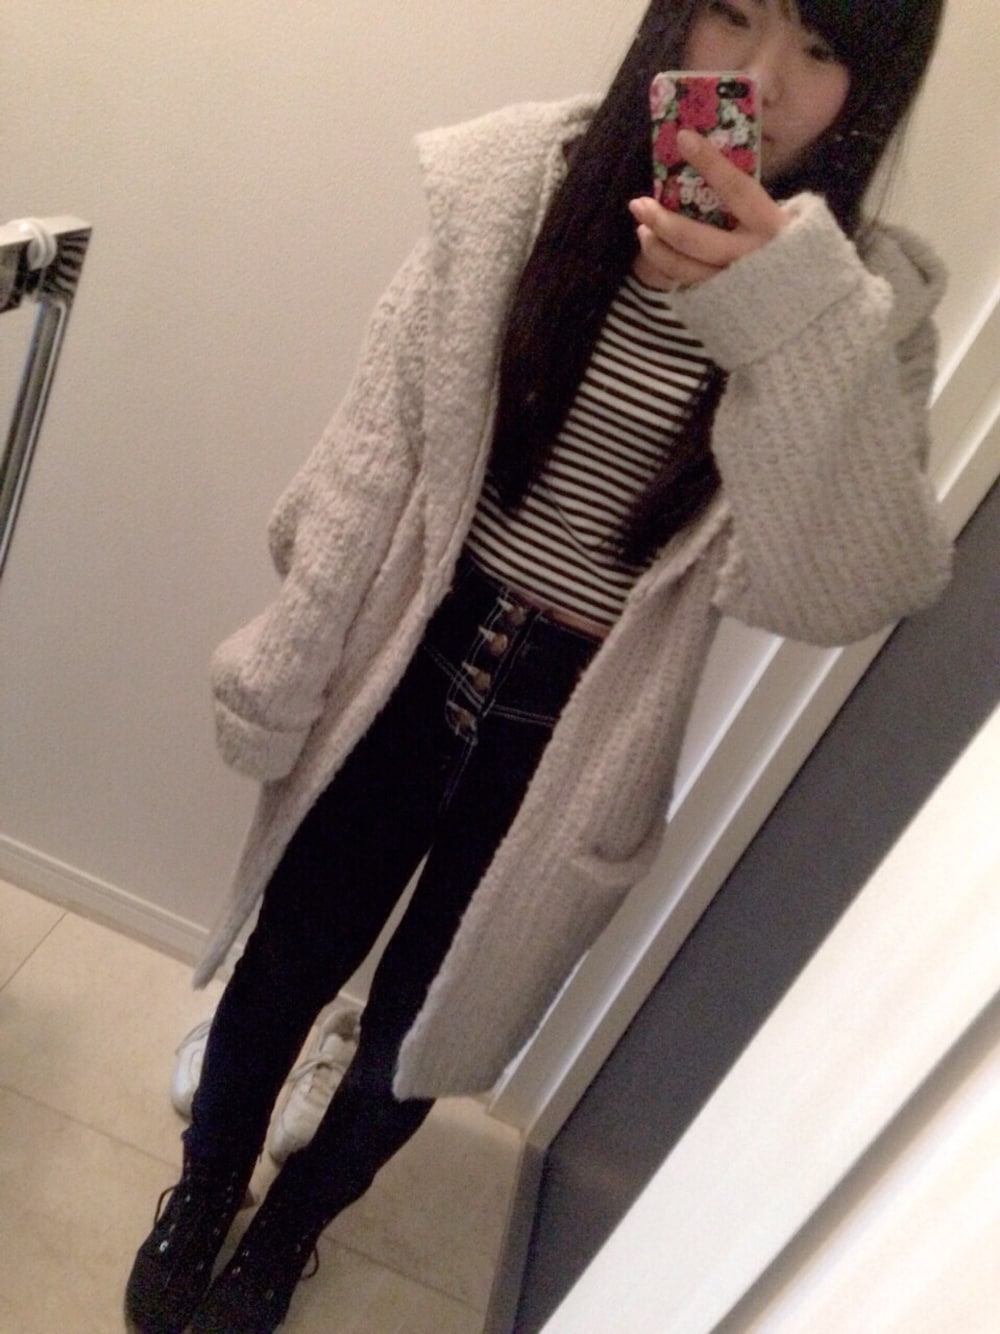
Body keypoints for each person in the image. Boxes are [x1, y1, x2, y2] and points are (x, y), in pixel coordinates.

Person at [125, 1, 952, 1330]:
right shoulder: (517, 183)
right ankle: (206, 1183)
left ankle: (288, 1226)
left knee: (423, 1033)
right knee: (287, 957)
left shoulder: (867, 316)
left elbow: (842, 590)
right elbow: (374, 446)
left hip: (575, 723)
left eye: (820, 47)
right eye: (734, 13)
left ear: (874, 86)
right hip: (413, 657)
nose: (754, 79)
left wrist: (782, 318)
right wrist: (287, 654)